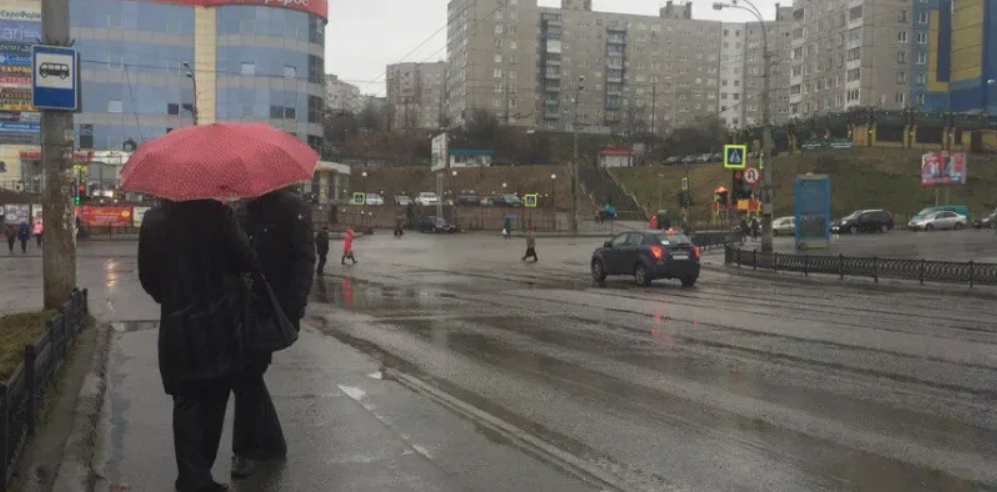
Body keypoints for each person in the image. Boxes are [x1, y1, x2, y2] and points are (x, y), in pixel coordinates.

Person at [138, 200, 256, 492]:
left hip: (178, 326)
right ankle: (198, 476)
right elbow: (247, 261)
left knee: (187, 402)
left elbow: (147, 276)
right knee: (215, 399)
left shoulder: (154, 220)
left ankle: (193, 478)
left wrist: (171, 298)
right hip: (222, 325)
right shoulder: (222, 215)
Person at [235, 187, 316, 478]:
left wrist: (292, 306)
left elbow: (304, 260)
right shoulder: (243, 210)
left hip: (274, 306)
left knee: (246, 374)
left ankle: (248, 450)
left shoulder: (290, 207)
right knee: (248, 375)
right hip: (243, 306)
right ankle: (271, 443)